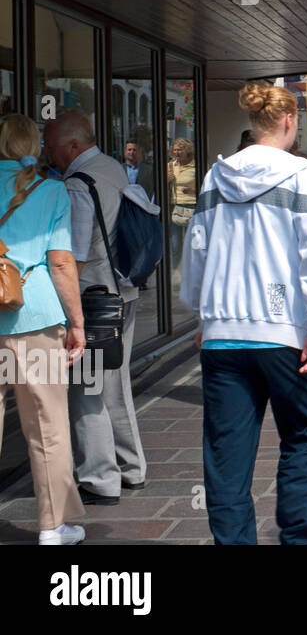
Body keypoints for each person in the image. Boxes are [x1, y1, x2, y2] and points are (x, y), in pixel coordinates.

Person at [182, 84, 307, 545]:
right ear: (289, 121)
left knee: (226, 457)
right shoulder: (301, 174)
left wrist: (202, 315)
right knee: (303, 435)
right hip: (284, 331)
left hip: (223, 333)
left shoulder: (216, 176)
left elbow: (197, 248)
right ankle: (295, 536)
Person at [44, 111, 147, 506]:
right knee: (116, 387)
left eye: (52, 148)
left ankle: (100, 478)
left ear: (72, 146)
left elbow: (77, 253)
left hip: (93, 301)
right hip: (122, 293)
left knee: (87, 389)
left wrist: (70, 311)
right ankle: (130, 467)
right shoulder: (113, 168)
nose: (49, 155)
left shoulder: (76, 185)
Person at [0, 114, 87, 544]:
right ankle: (53, 528)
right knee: (47, 424)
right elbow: (61, 261)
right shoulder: (52, 190)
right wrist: (77, 322)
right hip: (34, 316)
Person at [166, 137, 197, 266]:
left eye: (180, 150)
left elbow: (207, 187)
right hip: (175, 207)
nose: (176, 153)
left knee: (193, 243)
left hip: (193, 207)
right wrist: (167, 179)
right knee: (175, 245)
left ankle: (192, 270)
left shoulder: (198, 165)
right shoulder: (170, 166)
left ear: (188, 151)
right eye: (175, 150)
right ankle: (176, 274)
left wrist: (192, 190)